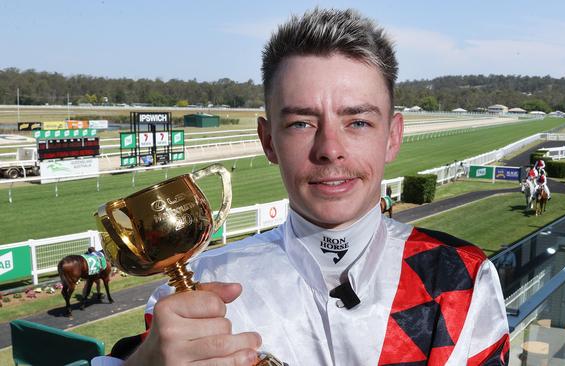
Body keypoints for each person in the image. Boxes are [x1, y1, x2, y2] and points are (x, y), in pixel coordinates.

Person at [93, 8, 509, 366]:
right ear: (268, 141)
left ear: (393, 137)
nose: (330, 149)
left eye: (358, 122)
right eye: (301, 124)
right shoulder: (201, 286)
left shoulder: (461, 276)